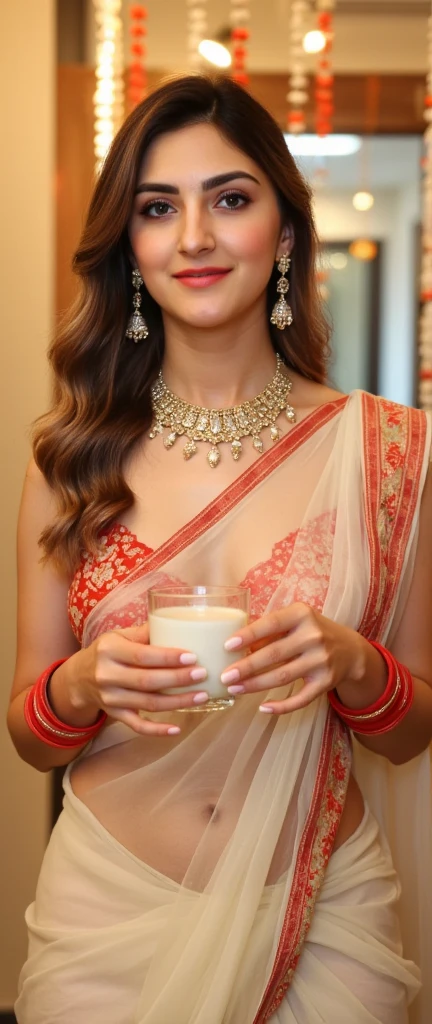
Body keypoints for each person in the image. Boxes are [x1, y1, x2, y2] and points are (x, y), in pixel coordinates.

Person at [7, 74, 432, 1024]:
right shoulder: (69, 459)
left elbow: (412, 732)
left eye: (229, 199)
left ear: (283, 233)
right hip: (105, 918)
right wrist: (80, 688)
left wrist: (352, 661)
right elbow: (30, 735)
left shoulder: (389, 451)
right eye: (159, 209)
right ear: (132, 246)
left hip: (325, 910)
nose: (193, 237)